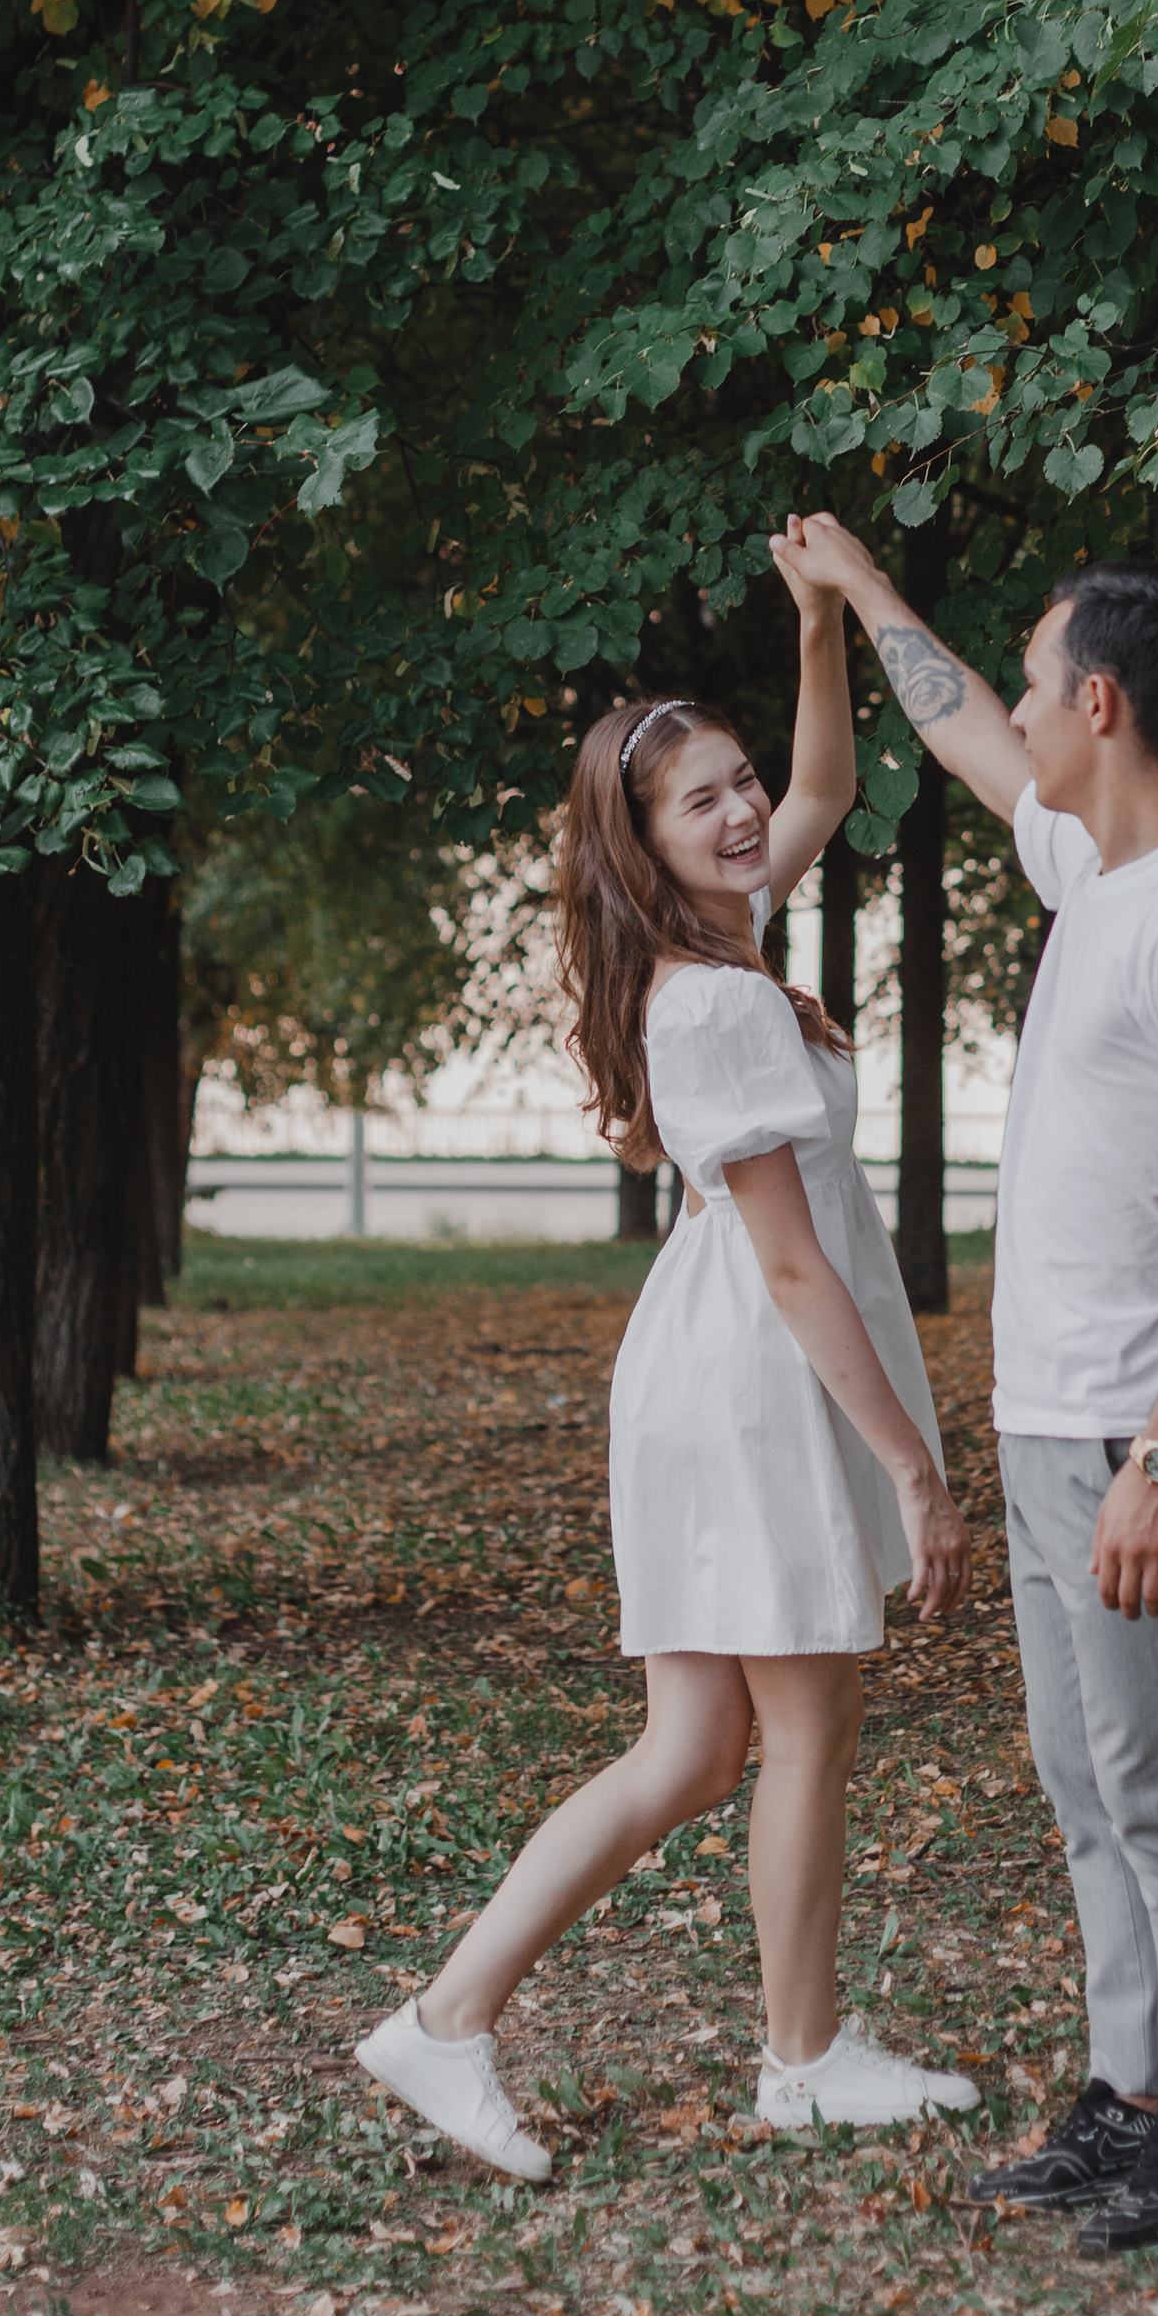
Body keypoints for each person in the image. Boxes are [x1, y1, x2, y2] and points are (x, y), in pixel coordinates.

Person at [354, 521, 978, 2182]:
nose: (745, 810)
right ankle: (803, 2059)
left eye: (737, 782)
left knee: (695, 1750)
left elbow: (828, 783)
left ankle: (446, 2020)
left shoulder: (723, 942)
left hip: (711, 1363)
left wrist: (820, 621)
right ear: (641, 844)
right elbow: (794, 1264)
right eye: (701, 801)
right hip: (754, 1373)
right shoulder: (715, 999)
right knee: (805, 1726)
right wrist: (916, 1472)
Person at [790, 520, 1158, 2257]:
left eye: (1036, 678)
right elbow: (959, 731)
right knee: (1087, 1779)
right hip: (1049, 1421)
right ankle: (1132, 2095)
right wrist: (863, 595)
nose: (1012, 704)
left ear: (1102, 703)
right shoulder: (1097, 872)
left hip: (1129, 1432)